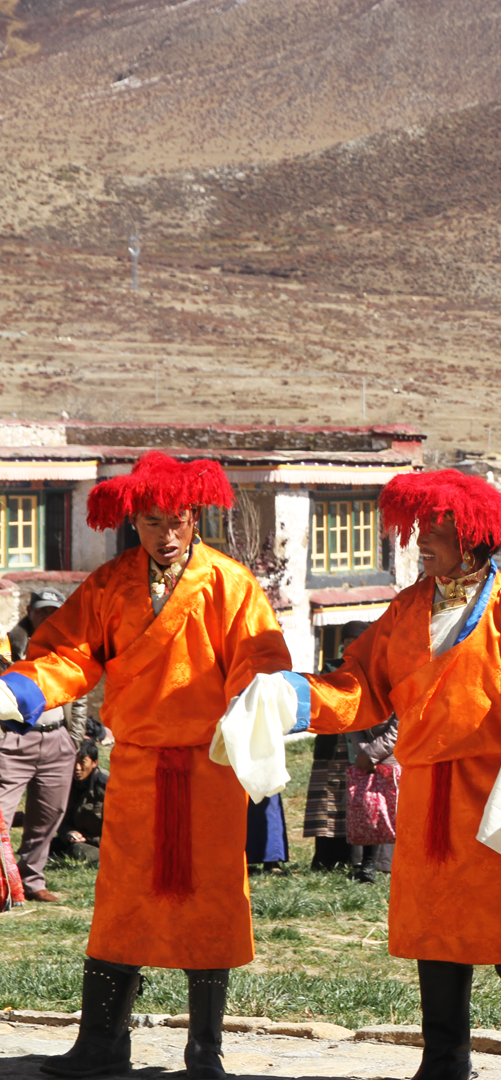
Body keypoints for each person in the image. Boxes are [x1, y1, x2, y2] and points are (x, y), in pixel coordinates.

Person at [0, 451, 293, 1079]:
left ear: (196, 520)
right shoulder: (109, 584)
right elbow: (70, 653)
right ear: (135, 521)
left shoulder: (231, 585)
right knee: (121, 901)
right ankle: (103, 1042)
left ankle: (204, 1050)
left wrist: (261, 694)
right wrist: (22, 689)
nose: (165, 535)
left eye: (177, 522)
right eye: (152, 523)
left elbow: (259, 657)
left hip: (209, 767)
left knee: (210, 900)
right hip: (135, 766)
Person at [291, 470, 501, 1080]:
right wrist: (300, 699)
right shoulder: (406, 607)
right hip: (424, 794)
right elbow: (361, 684)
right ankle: (445, 1058)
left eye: (435, 531)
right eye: (421, 528)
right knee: (435, 929)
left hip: (497, 794)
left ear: (472, 539)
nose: (421, 540)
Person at [0, 588, 90, 903]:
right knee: (2, 811)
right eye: (43, 610)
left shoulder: (66, 649)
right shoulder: (9, 646)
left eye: (54, 610)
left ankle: (32, 880)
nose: (48, 616)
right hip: (13, 741)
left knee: (49, 815)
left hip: (57, 740)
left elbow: (79, 698)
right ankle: (3, 882)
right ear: (30, 609)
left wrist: (73, 738)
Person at [304, 620, 370, 872]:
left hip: (359, 748)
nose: (348, 647)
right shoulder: (331, 668)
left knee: (353, 801)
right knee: (326, 802)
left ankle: (351, 859)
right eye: (345, 643)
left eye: (353, 642)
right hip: (331, 745)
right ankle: (324, 859)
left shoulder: (372, 670)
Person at [346, 715, 399, 883]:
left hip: (395, 763)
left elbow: (396, 730)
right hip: (366, 763)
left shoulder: (400, 694)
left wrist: (370, 755)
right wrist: (364, 755)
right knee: (371, 814)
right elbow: (355, 725)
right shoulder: (364, 697)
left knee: (398, 816)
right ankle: (368, 867)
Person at [51, 741, 105, 867]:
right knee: (39, 845)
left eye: (82, 762)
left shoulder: (106, 786)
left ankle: (102, 862)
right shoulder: (67, 785)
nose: (77, 768)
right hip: (79, 840)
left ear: (94, 763)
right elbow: (60, 819)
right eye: (73, 762)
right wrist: (69, 833)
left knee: (76, 850)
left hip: (104, 844)